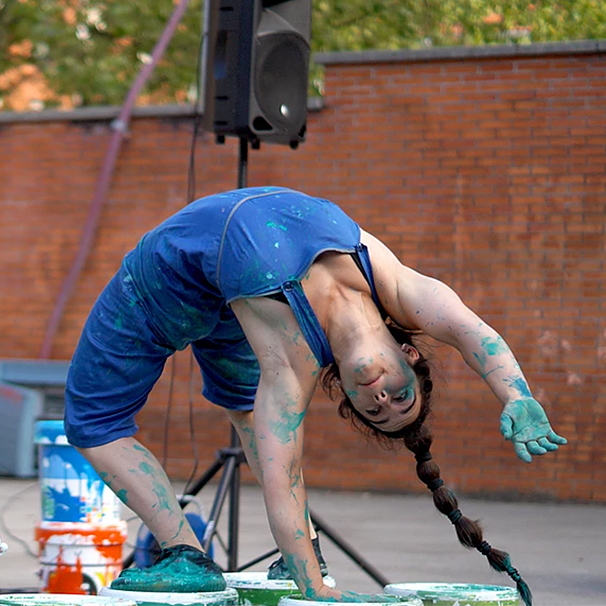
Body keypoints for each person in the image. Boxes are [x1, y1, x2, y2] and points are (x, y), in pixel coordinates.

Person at [64, 186, 564, 603]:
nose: (381, 397)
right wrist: (515, 395)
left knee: (93, 421)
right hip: (223, 291)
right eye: (398, 396)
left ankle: (186, 554)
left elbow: (286, 479)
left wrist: (314, 590)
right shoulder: (397, 288)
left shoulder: (293, 362)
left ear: (341, 388)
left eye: (374, 408)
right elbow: (470, 329)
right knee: (242, 407)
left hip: (165, 284)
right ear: (411, 358)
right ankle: (296, 556)